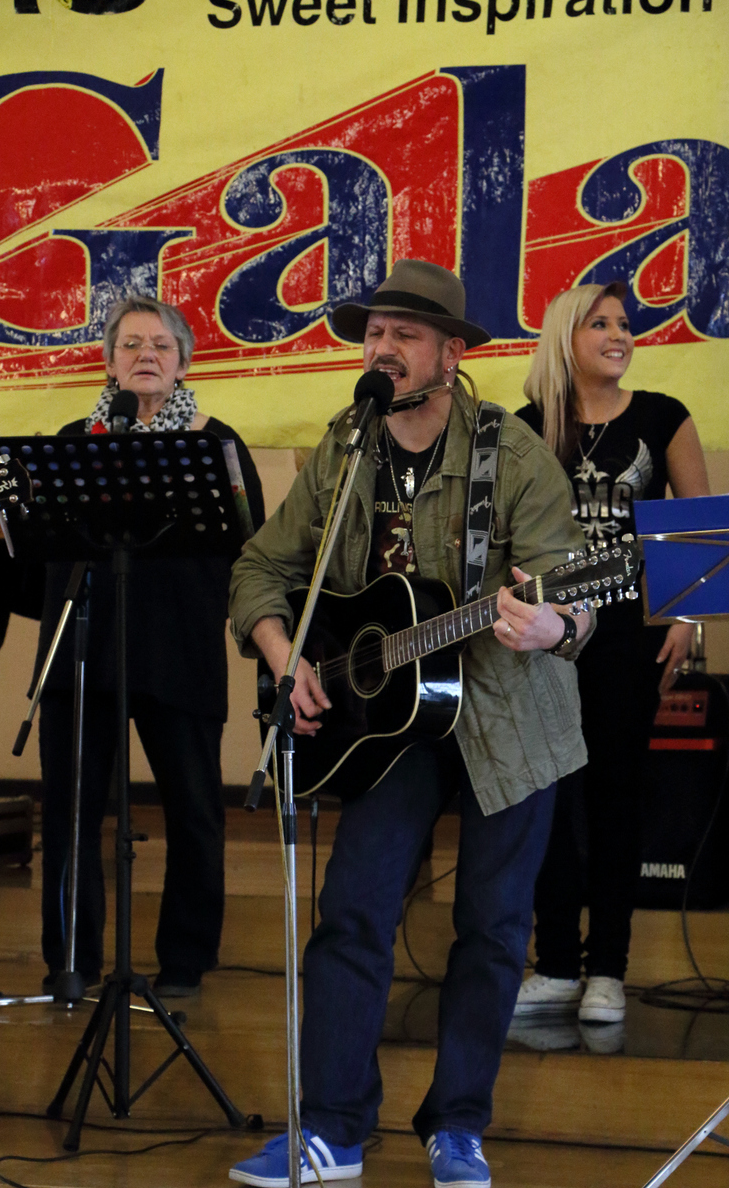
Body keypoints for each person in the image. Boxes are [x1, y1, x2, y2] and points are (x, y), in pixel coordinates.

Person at [227, 260, 594, 1188]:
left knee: (493, 928)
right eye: (373, 333)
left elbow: (577, 588)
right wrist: (288, 657)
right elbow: (261, 568)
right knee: (353, 911)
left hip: (512, 725)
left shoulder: (511, 456)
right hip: (389, 721)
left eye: (404, 334)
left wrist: (556, 621)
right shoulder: (347, 445)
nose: (381, 349)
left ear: (451, 353)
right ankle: (334, 1131)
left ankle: (458, 1126)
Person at [33, 295, 264, 997]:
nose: (145, 356)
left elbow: (250, 553)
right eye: (130, 345)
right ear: (107, 361)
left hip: (180, 652)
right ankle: (72, 961)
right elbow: (33, 547)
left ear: (184, 361)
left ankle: (185, 963)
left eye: (161, 346)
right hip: (84, 651)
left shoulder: (216, 442)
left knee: (194, 810)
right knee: (72, 812)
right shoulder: (74, 443)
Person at [513, 281, 710, 1027]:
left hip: (631, 641)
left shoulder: (664, 418)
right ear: (566, 338)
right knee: (552, 803)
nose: (619, 335)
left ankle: (610, 971)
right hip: (545, 640)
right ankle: (556, 963)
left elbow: (695, 531)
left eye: (625, 324)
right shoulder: (528, 428)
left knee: (616, 799)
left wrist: (687, 620)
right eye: (600, 323)